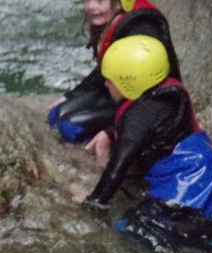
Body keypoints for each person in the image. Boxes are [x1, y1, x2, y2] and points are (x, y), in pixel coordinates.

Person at [82, 36, 212, 251]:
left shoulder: (137, 116)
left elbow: (117, 168)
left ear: (128, 82)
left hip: (189, 185)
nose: (106, 84)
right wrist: (109, 132)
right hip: (210, 170)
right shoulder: (169, 91)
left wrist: (93, 202)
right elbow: (154, 124)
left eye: (111, 79)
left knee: (131, 230)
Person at [48, 0, 182, 147]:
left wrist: (111, 132)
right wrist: (71, 96)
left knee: (69, 127)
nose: (91, 6)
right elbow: (104, 70)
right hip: (115, 92)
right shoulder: (111, 19)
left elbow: (149, 97)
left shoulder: (142, 27)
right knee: (55, 115)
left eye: (99, 0)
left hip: (146, 102)